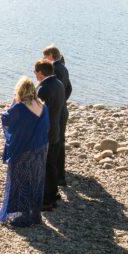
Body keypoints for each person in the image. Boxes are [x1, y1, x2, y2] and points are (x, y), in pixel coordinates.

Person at [0, 77, 49, 227]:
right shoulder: (43, 107)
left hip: (23, 150)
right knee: (35, 181)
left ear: (20, 91)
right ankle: (33, 214)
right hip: (40, 150)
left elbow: (7, 121)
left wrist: (13, 104)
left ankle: (20, 214)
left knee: (19, 181)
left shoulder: (20, 107)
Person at [34, 58, 65, 210]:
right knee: (52, 165)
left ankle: (46, 200)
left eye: (35, 72)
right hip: (56, 130)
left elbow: (38, 113)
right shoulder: (58, 84)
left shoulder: (43, 89)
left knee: (45, 166)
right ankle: (53, 195)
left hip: (45, 132)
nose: (34, 75)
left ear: (40, 73)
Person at [43, 44, 71, 187]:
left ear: (51, 56)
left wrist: (58, 103)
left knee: (57, 143)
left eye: (45, 56)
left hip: (58, 113)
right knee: (60, 142)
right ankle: (60, 175)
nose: (43, 59)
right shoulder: (63, 67)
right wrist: (63, 101)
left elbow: (55, 89)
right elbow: (69, 88)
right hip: (62, 110)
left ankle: (58, 176)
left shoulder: (55, 69)